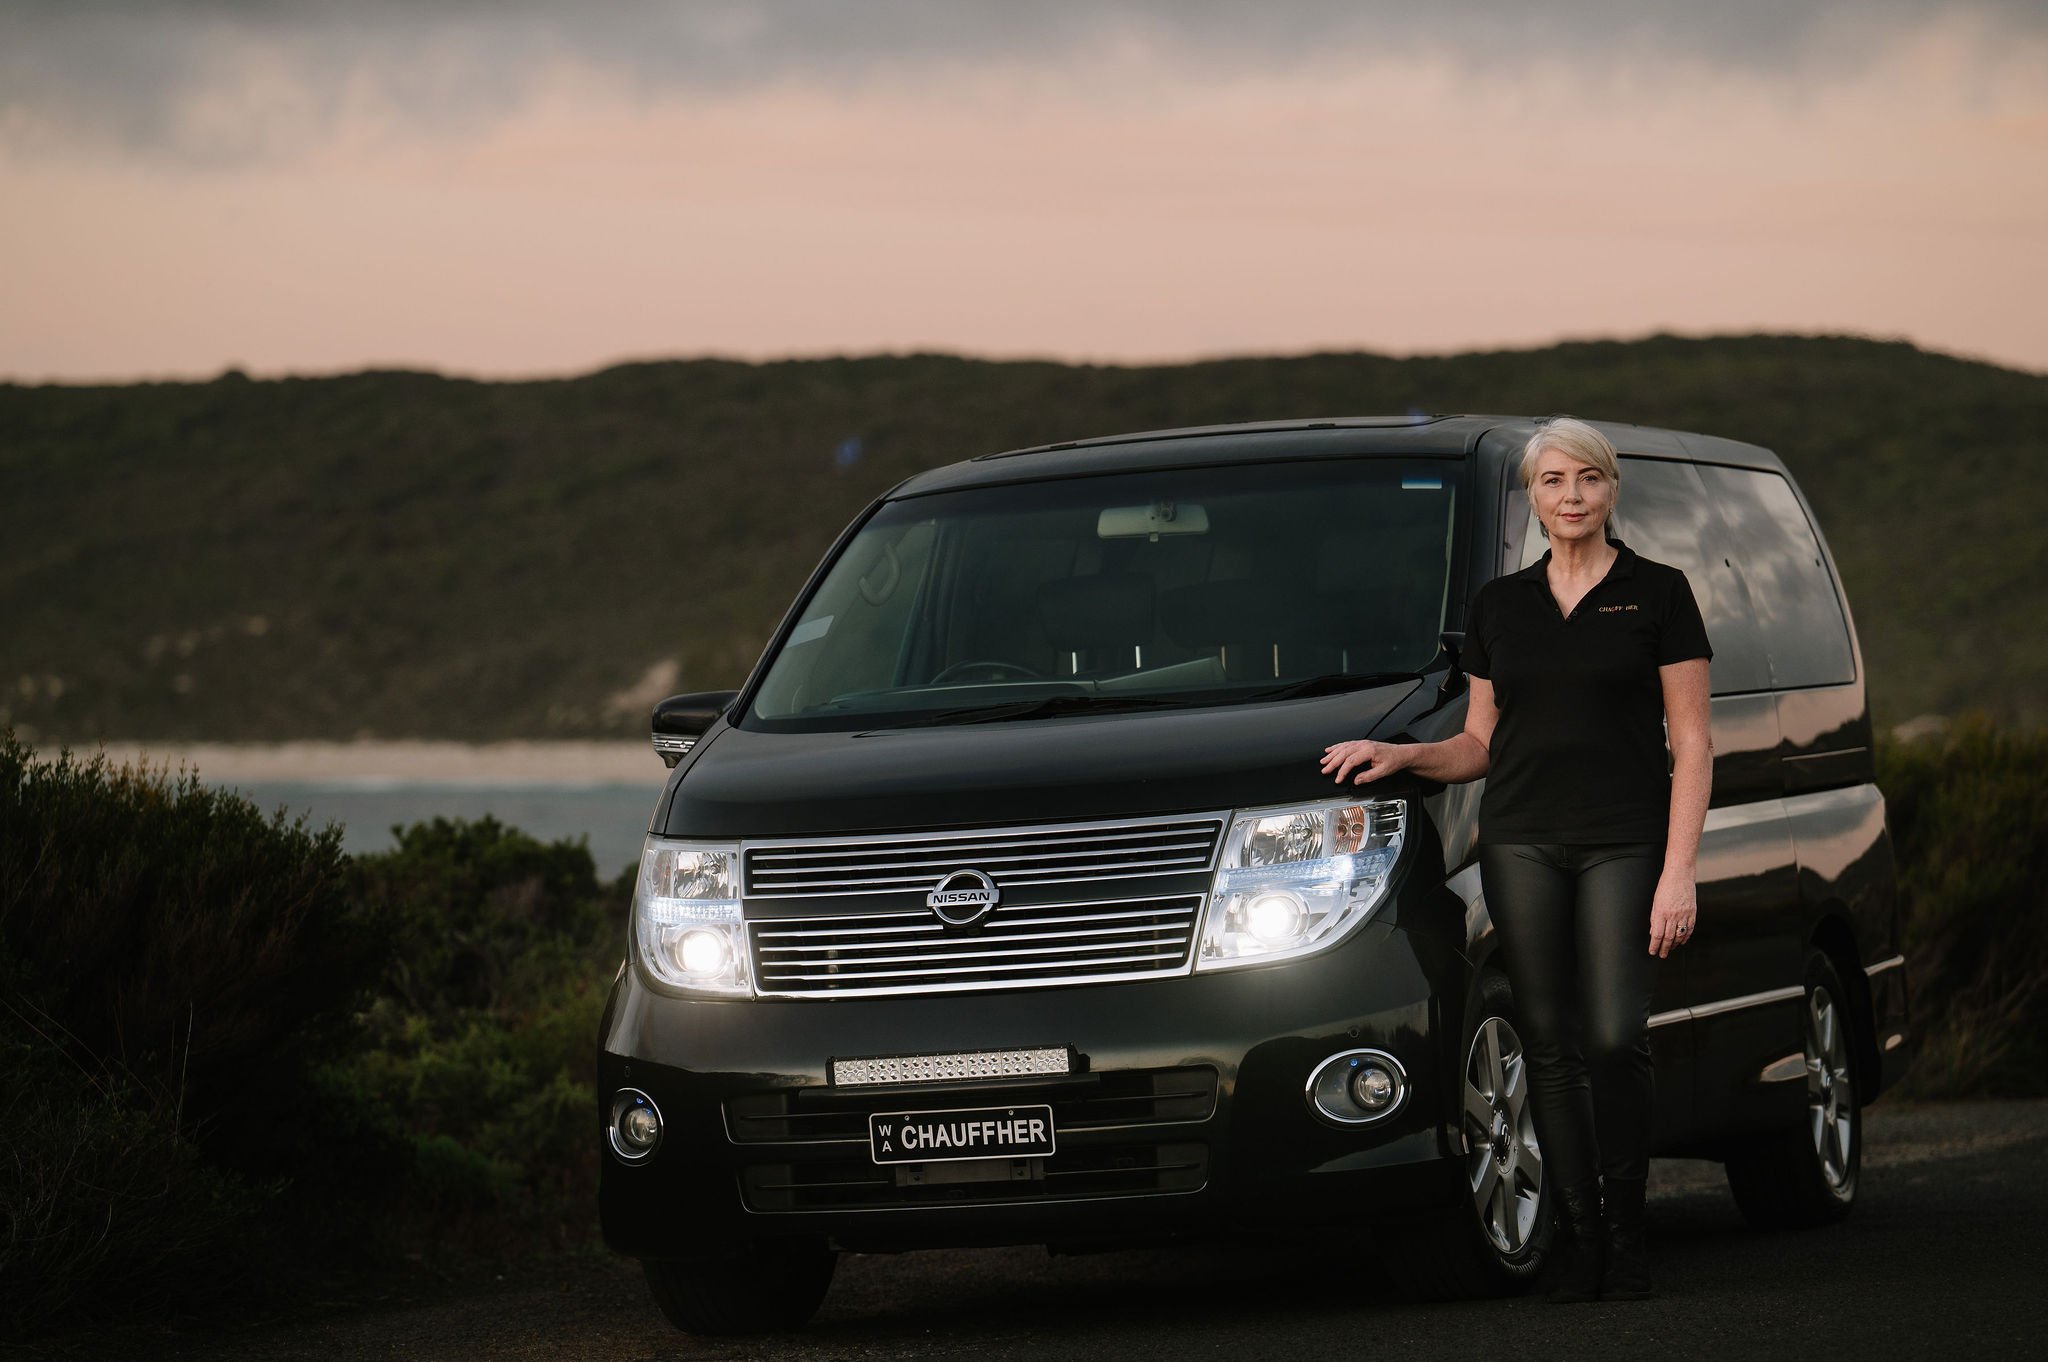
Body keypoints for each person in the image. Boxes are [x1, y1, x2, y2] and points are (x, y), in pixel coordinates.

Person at [1319, 417, 1712, 1302]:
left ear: (1612, 491)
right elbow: (1481, 744)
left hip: (1626, 839)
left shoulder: (1660, 593)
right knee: (1549, 1042)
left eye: (1587, 480)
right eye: (1552, 482)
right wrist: (1406, 757)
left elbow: (1693, 745)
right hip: (1523, 837)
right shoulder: (1500, 606)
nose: (1570, 497)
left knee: (1613, 1037)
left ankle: (1629, 1230)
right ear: (1531, 498)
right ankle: (1580, 1243)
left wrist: (1678, 868)